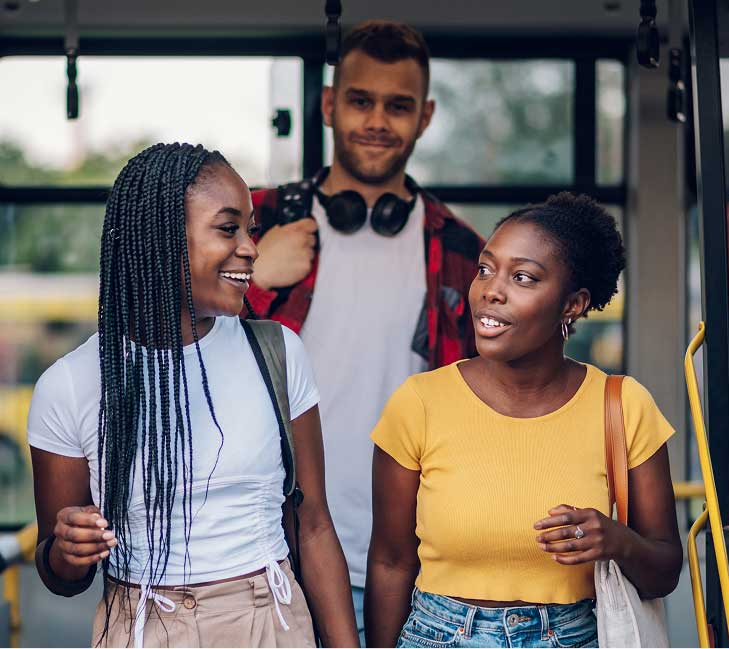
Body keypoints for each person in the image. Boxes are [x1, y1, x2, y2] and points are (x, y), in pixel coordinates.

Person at [27, 143, 358, 648]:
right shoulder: (70, 385)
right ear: (160, 239)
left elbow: (312, 527)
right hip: (142, 623)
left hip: (269, 621)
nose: (251, 247)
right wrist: (66, 552)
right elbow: (61, 575)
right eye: (229, 229)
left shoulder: (277, 352)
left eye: (249, 229)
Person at [245, 20, 483, 639]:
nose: (377, 120)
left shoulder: (462, 251)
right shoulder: (254, 221)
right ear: (328, 105)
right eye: (360, 100)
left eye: (398, 106)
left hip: (414, 561)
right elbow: (152, 329)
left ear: (424, 117)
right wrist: (252, 273)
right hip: (270, 552)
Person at [367, 193, 683, 648]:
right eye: (485, 269)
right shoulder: (419, 402)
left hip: (575, 636)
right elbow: (391, 563)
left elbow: (665, 571)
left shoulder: (624, 406)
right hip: (437, 636)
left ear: (573, 305)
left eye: (522, 277)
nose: (491, 290)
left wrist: (616, 541)